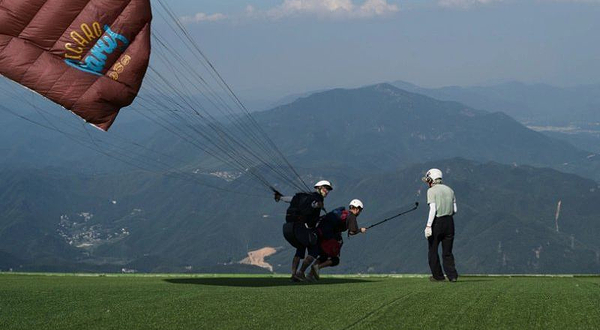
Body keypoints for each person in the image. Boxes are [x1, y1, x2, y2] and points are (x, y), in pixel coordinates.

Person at [274, 180, 332, 282]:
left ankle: (293, 274)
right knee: (314, 251)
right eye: (325, 188)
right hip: (303, 228)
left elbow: (291, 199)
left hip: (294, 226)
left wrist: (280, 197)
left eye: (328, 190)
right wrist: (318, 205)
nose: (327, 191)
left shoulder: (304, 196)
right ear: (319, 188)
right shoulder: (317, 198)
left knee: (300, 249)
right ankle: (300, 272)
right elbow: (314, 204)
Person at [308, 199, 367, 281]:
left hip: (320, 232)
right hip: (330, 237)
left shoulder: (342, 213)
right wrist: (360, 230)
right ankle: (318, 267)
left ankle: (310, 275)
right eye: (360, 210)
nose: (359, 213)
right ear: (357, 209)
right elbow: (352, 232)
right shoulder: (352, 216)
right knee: (335, 260)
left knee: (323, 256)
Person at [422, 168, 458, 282]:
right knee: (447, 251)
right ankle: (452, 276)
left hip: (437, 222)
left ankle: (438, 276)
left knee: (433, 250)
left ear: (431, 179)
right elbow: (455, 210)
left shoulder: (431, 191)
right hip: (450, 222)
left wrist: (428, 226)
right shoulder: (450, 190)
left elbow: (432, 209)